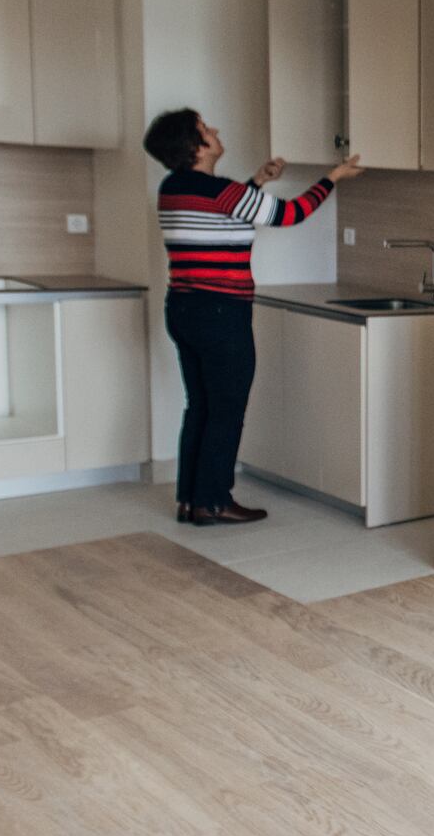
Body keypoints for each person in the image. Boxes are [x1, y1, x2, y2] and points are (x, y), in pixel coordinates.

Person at [143, 109, 363, 525]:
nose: (215, 130)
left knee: (201, 407)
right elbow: (289, 214)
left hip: (184, 309)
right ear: (197, 147)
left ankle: (190, 500)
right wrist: (333, 178)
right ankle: (214, 502)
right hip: (221, 312)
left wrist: (257, 182)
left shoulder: (173, 188)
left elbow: (221, 213)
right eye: (207, 129)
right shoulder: (218, 191)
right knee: (225, 410)